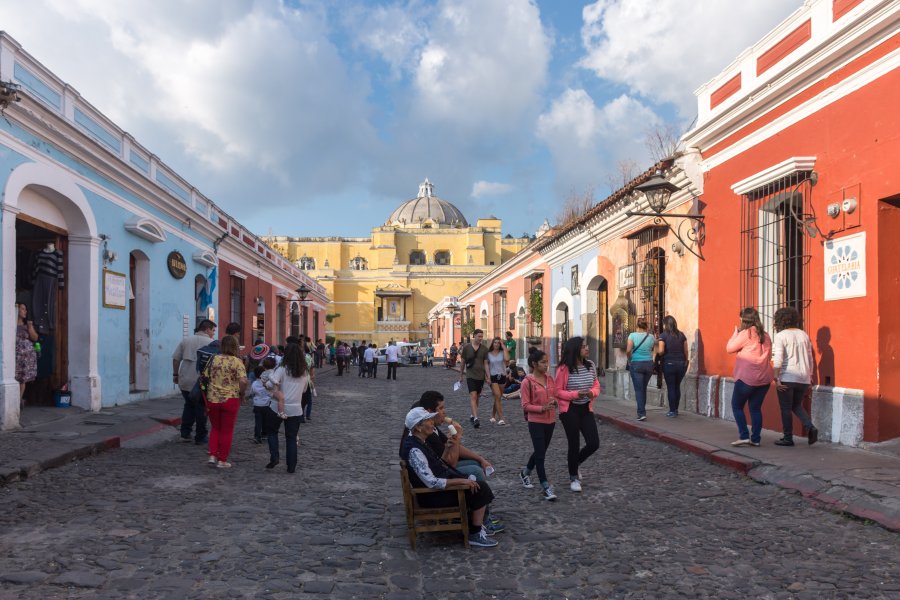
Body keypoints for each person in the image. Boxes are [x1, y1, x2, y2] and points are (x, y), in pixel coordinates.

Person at [398, 391, 504, 534]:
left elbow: (438, 462)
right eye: (429, 420)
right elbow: (434, 480)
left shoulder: (421, 439)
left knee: (475, 477)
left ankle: (478, 520)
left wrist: (451, 449)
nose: (432, 422)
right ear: (418, 427)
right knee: (478, 482)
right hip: (433, 495)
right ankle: (477, 528)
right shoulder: (416, 448)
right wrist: (461, 481)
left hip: (438, 484)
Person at [555, 336, 601, 493]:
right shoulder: (563, 369)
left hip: (586, 408)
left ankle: (575, 463)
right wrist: (575, 394)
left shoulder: (590, 365)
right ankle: (573, 477)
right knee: (573, 443)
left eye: (586, 346)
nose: (587, 348)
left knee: (593, 443)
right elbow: (558, 391)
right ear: (575, 349)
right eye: (583, 346)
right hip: (569, 410)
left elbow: (596, 385)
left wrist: (591, 393)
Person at [726, 307, 773, 447]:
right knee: (755, 408)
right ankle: (756, 439)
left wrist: (735, 333)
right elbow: (768, 356)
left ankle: (744, 435)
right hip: (764, 379)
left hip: (746, 379)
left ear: (744, 320)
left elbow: (729, 348)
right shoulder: (765, 335)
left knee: (736, 406)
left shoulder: (746, 333)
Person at [772, 307, 818, 446]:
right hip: (803, 378)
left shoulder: (781, 336)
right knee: (796, 405)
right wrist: (810, 376)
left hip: (787, 377)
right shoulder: (804, 334)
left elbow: (778, 359)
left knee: (785, 408)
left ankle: (787, 438)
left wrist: (776, 378)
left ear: (779, 321)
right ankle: (810, 427)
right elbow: (810, 358)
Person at [519, 347, 558, 501]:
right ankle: (546, 486)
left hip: (551, 421)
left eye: (547, 362)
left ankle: (525, 473)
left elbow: (554, 396)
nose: (546, 365)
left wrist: (554, 402)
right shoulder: (527, 382)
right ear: (534, 364)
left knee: (540, 451)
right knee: (540, 455)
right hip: (536, 422)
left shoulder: (550, 378)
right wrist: (541, 408)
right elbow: (525, 405)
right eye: (543, 362)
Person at [203, 335, 247, 468]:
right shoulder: (237, 362)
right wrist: (242, 392)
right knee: (227, 431)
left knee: (215, 428)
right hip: (230, 399)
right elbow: (243, 380)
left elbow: (205, 376)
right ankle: (222, 460)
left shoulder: (213, 359)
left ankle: (212, 455)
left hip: (212, 398)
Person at [264, 343, 310, 473]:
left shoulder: (282, 369)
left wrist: (267, 384)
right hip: (295, 408)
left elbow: (270, 383)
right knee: (291, 437)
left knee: (272, 432)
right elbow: (305, 389)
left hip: (276, 406)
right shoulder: (304, 372)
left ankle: (275, 457)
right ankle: (291, 466)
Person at [172, 319, 217, 443]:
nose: (213, 333)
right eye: (213, 330)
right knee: (201, 408)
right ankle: (200, 435)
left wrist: (175, 374)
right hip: (201, 381)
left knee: (189, 405)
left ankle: (185, 433)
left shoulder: (186, 340)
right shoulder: (212, 344)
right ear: (207, 329)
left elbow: (176, 359)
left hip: (185, 379)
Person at [658, 315, 689, 418]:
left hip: (669, 364)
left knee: (671, 387)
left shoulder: (663, 335)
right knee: (677, 386)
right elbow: (686, 351)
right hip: (681, 364)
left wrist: (657, 353)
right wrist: (685, 361)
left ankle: (672, 411)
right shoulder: (682, 335)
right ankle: (676, 409)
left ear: (666, 324)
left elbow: (661, 351)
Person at [458, 329, 490, 428]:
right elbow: (462, 362)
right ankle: (476, 418)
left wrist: (488, 376)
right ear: (474, 336)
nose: (480, 338)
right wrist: (461, 375)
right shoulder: (467, 348)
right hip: (470, 375)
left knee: (477, 397)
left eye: (482, 336)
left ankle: (472, 414)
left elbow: (486, 364)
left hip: (480, 376)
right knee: (473, 395)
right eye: (479, 336)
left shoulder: (484, 349)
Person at [626, 318, 657, 421]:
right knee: (643, 388)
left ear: (637, 326)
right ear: (646, 326)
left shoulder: (632, 335)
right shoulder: (651, 337)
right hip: (648, 364)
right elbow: (655, 349)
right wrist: (652, 358)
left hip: (637, 364)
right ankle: (642, 410)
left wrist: (629, 359)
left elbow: (628, 350)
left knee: (639, 389)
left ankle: (641, 413)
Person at [15, 302, 38, 404]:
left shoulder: (27, 325)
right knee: (14, 376)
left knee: (22, 379)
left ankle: (19, 401)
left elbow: (35, 338)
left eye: (25, 309)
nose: (25, 311)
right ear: (17, 309)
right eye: (23, 309)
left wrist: (30, 327)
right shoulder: (11, 324)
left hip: (25, 358)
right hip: (15, 356)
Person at [249, 357, 276, 443]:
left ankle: (257, 436)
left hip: (257, 405)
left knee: (258, 421)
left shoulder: (254, 383)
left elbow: (251, 393)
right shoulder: (268, 382)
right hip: (267, 404)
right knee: (266, 421)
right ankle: (265, 434)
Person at [486, 337, 508, 425]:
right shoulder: (488, 354)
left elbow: (507, 359)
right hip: (493, 376)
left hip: (502, 376)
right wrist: (487, 377)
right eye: (495, 343)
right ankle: (501, 418)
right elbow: (486, 366)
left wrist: (504, 346)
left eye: (498, 343)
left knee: (498, 397)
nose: (496, 344)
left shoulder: (503, 353)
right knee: (498, 395)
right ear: (492, 344)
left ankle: (492, 415)